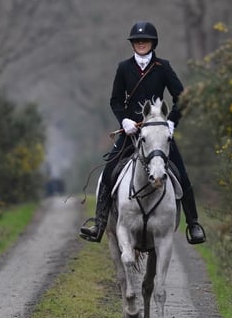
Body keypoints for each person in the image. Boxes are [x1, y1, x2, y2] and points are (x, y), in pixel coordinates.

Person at [79, 21, 206, 245]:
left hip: (158, 132)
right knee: (109, 173)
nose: (141, 44)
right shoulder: (124, 67)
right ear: (133, 44)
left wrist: (172, 123)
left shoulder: (163, 67)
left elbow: (182, 97)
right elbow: (115, 100)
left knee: (182, 175)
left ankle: (193, 224)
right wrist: (125, 120)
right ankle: (99, 224)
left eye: (145, 41)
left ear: (152, 43)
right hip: (131, 133)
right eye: (137, 41)